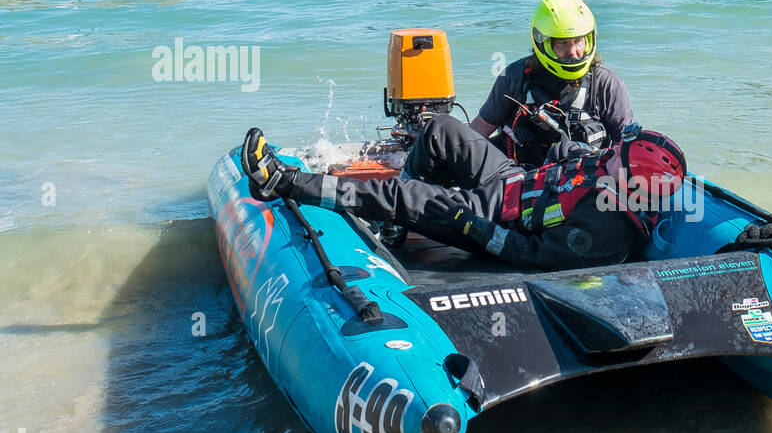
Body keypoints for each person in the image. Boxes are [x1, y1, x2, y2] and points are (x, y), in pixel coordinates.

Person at [239, 117, 686, 271]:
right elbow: (568, 159)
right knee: (440, 130)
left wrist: (475, 228)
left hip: (498, 218)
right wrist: (571, 147)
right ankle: (397, 225)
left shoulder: (605, 227)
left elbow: (533, 256)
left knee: (409, 196)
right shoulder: (609, 168)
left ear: (631, 179)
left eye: (618, 154)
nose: (611, 152)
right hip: (515, 182)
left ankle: (283, 182)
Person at [468, 0, 634, 169]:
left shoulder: (605, 83)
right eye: (562, 43)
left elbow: (626, 145)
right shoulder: (513, 77)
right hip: (518, 182)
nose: (573, 51)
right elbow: (482, 127)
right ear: (543, 43)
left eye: (578, 41)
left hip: (580, 185)